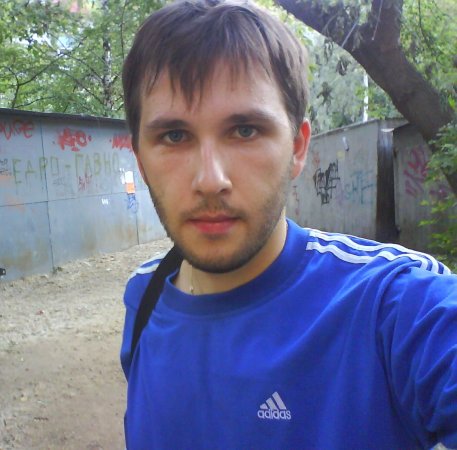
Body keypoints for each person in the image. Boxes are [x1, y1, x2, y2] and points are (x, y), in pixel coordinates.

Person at [120, 0, 457, 448]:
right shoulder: (144, 298)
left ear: (297, 148)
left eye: (244, 130)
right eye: (175, 136)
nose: (210, 180)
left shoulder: (390, 305)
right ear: (141, 161)